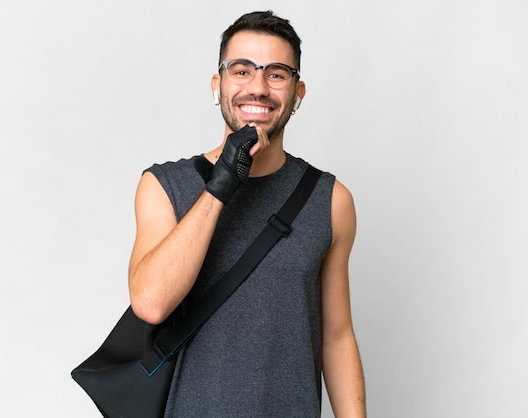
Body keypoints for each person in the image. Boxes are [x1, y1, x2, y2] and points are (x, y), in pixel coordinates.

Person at [128, 10, 365, 417]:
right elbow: (150, 303)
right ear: (217, 85)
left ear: (298, 92)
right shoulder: (164, 186)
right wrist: (221, 184)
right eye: (241, 71)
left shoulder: (330, 200)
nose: (258, 88)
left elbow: (337, 336)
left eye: (276, 74)